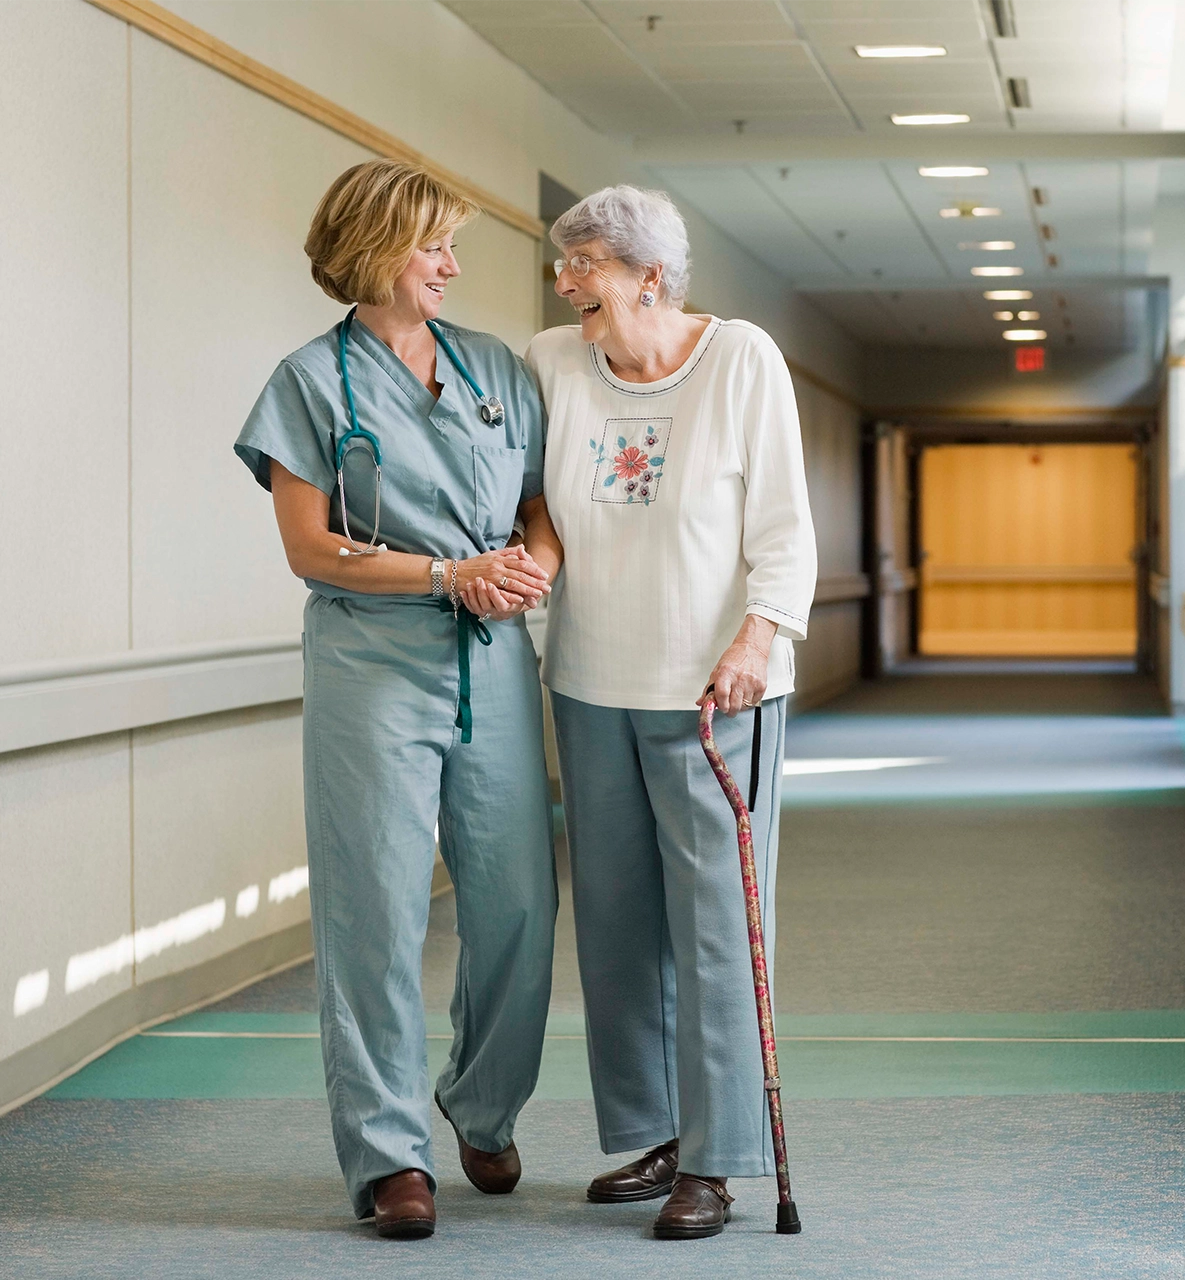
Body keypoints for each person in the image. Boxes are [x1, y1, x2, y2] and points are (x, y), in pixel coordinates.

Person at [233, 159, 562, 1240]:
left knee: (517, 901)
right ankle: (388, 1156)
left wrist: (532, 568)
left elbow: (537, 508)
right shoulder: (309, 381)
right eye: (435, 247)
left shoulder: (494, 369)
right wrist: (443, 573)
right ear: (378, 247)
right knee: (373, 909)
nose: (451, 266)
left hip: (495, 658)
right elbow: (308, 546)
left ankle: (482, 1101)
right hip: (372, 665)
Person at [525, 185, 817, 1240]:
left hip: (716, 691)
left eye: (586, 260)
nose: (567, 282)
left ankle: (719, 1154)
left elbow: (785, 521)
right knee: (615, 927)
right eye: (561, 264)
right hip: (591, 680)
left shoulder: (741, 358)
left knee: (718, 933)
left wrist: (761, 631)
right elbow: (534, 502)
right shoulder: (552, 362)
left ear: (651, 274)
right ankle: (654, 1135)